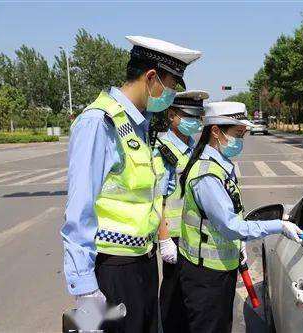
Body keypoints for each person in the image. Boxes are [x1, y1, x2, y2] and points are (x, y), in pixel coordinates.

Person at [60, 35, 201, 332]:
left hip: (143, 264)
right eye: (171, 85)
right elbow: (78, 212)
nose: (171, 95)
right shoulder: (100, 123)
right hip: (112, 270)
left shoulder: (139, 126)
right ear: (151, 78)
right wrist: (85, 289)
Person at [176, 101, 303, 333]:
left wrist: (238, 245)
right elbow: (230, 225)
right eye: (237, 134)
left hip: (218, 267)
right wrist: (279, 226)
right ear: (216, 131)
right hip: (206, 275)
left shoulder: (220, 165)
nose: (240, 141)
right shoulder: (207, 175)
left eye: (243, 135)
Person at [154, 90, 209, 333]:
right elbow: (157, 199)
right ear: (172, 115)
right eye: (189, 116)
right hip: (175, 237)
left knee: (192, 297)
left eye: (198, 117)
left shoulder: (194, 147)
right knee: (174, 298)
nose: (194, 122)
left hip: (194, 234)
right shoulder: (163, 150)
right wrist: (164, 240)